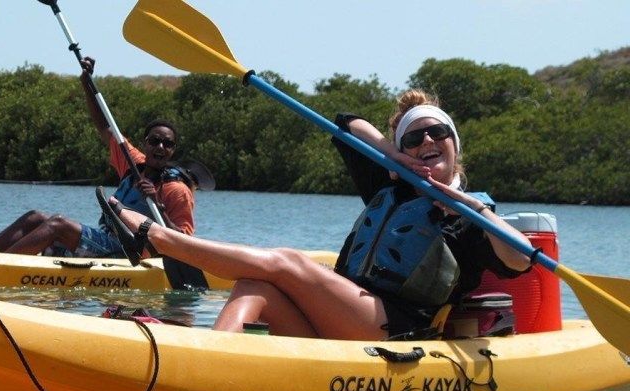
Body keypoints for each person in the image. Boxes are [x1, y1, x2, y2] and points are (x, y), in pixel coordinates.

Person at [96, 89, 532, 340]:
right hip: (343, 320)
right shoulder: (389, 187)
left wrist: (471, 208)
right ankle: (205, 360)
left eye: (438, 133)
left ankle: (160, 239)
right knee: (253, 289)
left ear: (454, 143)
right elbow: (347, 122)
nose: (426, 142)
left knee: (287, 262)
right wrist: (393, 156)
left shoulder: (471, 216)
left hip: (395, 332)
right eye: (414, 137)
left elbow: (520, 257)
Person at [0, 57, 212, 257]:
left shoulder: (177, 191)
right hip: (105, 239)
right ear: (145, 143)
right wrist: (87, 84)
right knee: (34, 217)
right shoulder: (133, 162)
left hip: (130, 254)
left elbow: (184, 244)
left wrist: (159, 207)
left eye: (167, 144)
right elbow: (104, 126)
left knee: (58, 224)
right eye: (154, 141)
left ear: (173, 150)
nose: (160, 147)